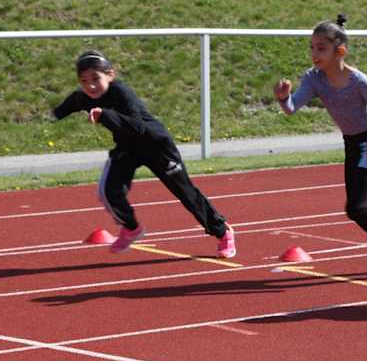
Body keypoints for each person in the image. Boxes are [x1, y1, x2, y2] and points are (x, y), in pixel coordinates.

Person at [275, 15, 367, 275]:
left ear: (339, 51)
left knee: (358, 207)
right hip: (352, 144)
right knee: (355, 211)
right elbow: (291, 108)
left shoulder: (358, 81)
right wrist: (283, 97)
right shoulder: (313, 79)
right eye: (311, 47)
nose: (314, 53)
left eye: (321, 48)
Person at [53, 51, 235, 258]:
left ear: (110, 75)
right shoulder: (82, 97)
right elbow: (65, 107)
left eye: (96, 78)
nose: (91, 86)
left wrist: (106, 115)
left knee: (186, 193)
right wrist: (54, 115)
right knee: (108, 191)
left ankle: (222, 232)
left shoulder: (121, 93)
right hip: (127, 148)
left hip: (156, 145)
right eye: (84, 81)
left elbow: (137, 127)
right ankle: (131, 228)